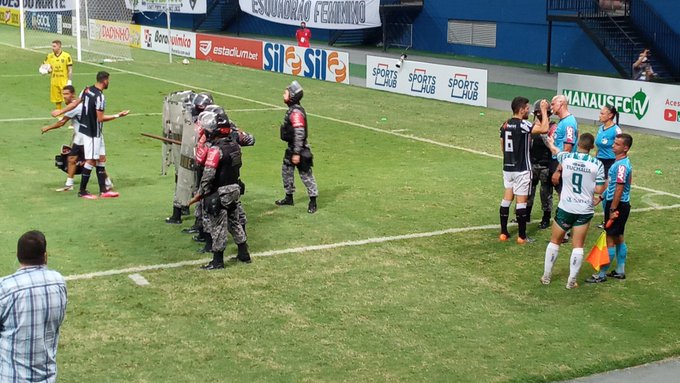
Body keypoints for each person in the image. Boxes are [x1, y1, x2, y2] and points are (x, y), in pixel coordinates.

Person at [540, 133, 606, 289]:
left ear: (578, 144)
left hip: (566, 207)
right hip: (584, 210)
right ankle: (571, 281)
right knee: (578, 245)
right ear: (592, 147)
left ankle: (546, 276)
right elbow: (598, 189)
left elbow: (555, 150)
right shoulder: (597, 164)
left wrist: (550, 142)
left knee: (555, 241)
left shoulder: (566, 158)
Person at [0, 230, 67, 383]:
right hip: (47, 377)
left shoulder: (5, 287)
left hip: (12, 377)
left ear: (18, 255)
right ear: (45, 255)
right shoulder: (58, 282)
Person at [189, 111, 251, 270]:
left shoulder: (216, 151)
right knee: (235, 222)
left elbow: (208, 175)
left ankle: (217, 261)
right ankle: (244, 253)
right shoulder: (234, 145)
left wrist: (201, 193)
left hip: (220, 192)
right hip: (235, 189)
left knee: (218, 227)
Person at [499, 97, 550, 244]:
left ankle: (503, 232)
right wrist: (545, 111)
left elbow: (502, 144)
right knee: (521, 201)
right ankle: (522, 236)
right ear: (521, 109)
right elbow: (544, 129)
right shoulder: (523, 124)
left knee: (507, 198)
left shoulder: (505, 124)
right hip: (522, 168)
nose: (529, 110)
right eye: (527, 108)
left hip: (508, 168)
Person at [586, 133, 634, 283]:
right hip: (619, 205)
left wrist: (612, 209)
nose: (613, 145)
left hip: (617, 206)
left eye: (617, 144)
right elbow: (613, 187)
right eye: (614, 143)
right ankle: (620, 270)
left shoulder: (621, 167)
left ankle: (601, 274)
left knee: (610, 240)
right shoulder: (620, 163)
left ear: (625, 148)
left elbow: (619, 189)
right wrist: (601, 198)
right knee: (619, 237)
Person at [76, 71, 129, 199]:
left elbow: (76, 102)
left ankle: (103, 190)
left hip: (93, 131)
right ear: (104, 80)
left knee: (101, 158)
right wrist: (118, 115)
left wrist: (61, 111)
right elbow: (100, 118)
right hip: (93, 132)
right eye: (108, 80)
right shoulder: (100, 97)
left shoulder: (86, 89)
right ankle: (82, 191)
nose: (108, 82)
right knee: (91, 160)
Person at [275, 81, 318, 214]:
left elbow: (299, 133)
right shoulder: (293, 110)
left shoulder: (296, 113)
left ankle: (313, 201)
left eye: (286, 92)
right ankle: (289, 197)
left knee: (306, 175)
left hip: (299, 149)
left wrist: (297, 152)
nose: (283, 94)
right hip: (292, 148)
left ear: (292, 96)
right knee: (286, 172)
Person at [526, 99, 557, 229]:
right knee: (528, 191)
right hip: (532, 164)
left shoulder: (553, 127)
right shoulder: (532, 127)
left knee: (545, 193)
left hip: (545, 165)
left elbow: (552, 146)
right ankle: (525, 215)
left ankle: (546, 217)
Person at [594, 105, 622, 226]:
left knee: (605, 191)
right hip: (599, 162)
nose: (599, 115)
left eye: (602, 113)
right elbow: (599, 147)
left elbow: (621, 147)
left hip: (610, 163)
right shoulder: (601, 128)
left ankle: (607, 219)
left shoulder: (616, 131)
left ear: (610, 115)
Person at [42, 40, 73, 109]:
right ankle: (60, 115)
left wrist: (69, 81)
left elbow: (70, 70)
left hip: (64, 81)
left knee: (68, 99)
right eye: (52, 46)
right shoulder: (49, 56)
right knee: (57, 100)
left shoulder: (66, 56)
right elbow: (44, 67)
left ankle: (71, 114)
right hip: (54, 81)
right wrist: (45, 71)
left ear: (59, 46)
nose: (52, 48)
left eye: (54, 46)